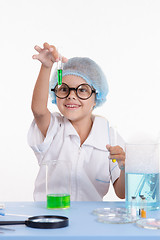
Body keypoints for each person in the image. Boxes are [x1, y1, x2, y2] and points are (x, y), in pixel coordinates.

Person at [28, 42, 125, 201]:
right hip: (52, 215)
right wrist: (46, 67)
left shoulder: (108, 135)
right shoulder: (54, 127)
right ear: (55, 93)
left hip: (89, 219)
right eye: (64, 89)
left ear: (96, 96)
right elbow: (38, 111)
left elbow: (122, 193)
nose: (71, 96)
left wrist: (124, 167)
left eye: (82, 90)